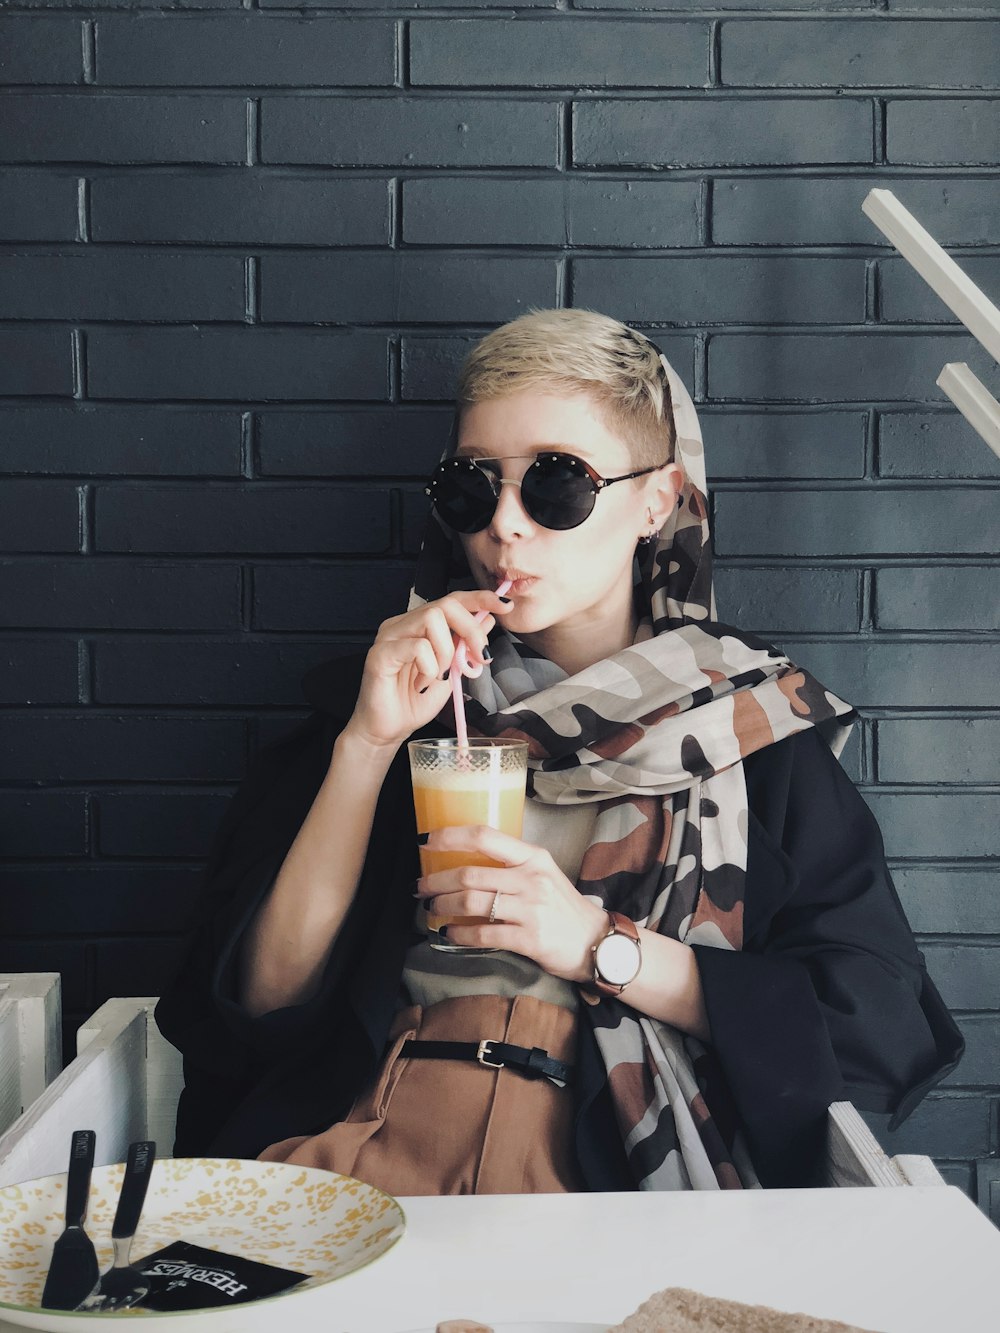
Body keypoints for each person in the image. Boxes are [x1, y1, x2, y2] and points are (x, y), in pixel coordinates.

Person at [155, 309, 962, 1192]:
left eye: (557, 485)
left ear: (655, 499)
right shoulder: (407, 702)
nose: (505, 525)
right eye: (472, 487)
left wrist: (596, 947)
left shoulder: (750, 729)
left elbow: (877, 1024)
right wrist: (367, 741)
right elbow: (257, 1005)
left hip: (611, 1175)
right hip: (369, 1151)